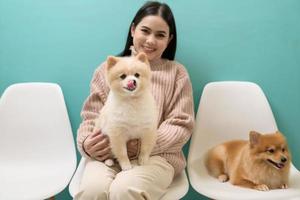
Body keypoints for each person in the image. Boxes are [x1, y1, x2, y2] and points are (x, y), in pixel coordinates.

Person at [75, 1, 195, 200]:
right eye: (145, 31)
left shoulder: (177, 74)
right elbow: (90, 117)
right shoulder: (107, 69)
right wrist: (87, 144)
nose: (150, 40)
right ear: (133, 29)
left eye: (160, 35)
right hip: (106, 154)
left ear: (169, 39)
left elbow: (181, 124)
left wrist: (141, 146)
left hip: (157, 156)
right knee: (92, 191)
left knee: (124, 190)